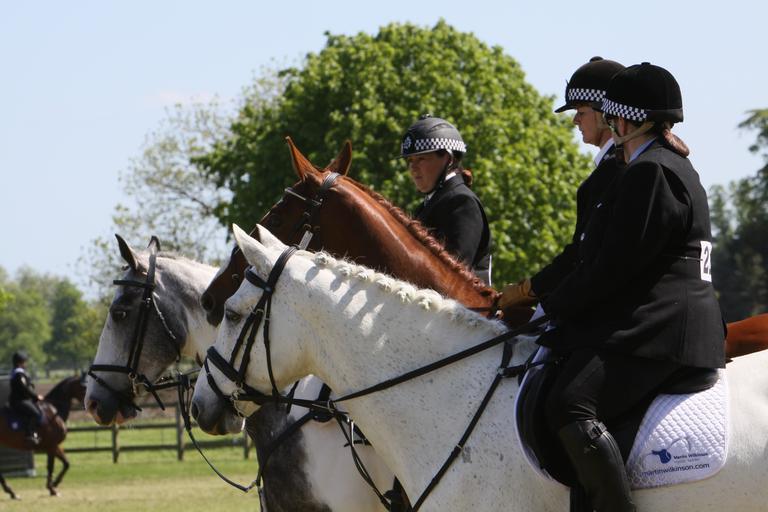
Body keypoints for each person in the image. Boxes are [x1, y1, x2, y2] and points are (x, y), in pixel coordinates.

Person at [513, 63, 726, 511]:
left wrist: (552, 309)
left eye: (612, 118)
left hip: (664, 329)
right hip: (658, 322)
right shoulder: (660, 166)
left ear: (628, 122)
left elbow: (611, 269)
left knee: (569, 402)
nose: (609, 126)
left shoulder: (651, 173)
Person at [498, 56, 625, 309]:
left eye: (581, 112)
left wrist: (529, 289)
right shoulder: (611, 166)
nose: (575, 120)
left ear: (605, 114)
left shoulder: (613, 170)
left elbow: (580, 256)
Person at [401, 115, 493, 284]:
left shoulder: (462, 202)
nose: (413, 168)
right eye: (410, 160)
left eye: (421, 158)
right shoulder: (427, 205)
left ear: (448, 159)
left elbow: (452, 274)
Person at [9, 351, 44, 444]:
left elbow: (27, 386)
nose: (26, 364)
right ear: (20, 363)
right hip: (19, 401)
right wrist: (36, 397)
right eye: (25, 362)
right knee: (36, 414)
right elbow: (24, 388)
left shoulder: (19, 373)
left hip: (22, 399)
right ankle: (30, 434)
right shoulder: (18, 374)